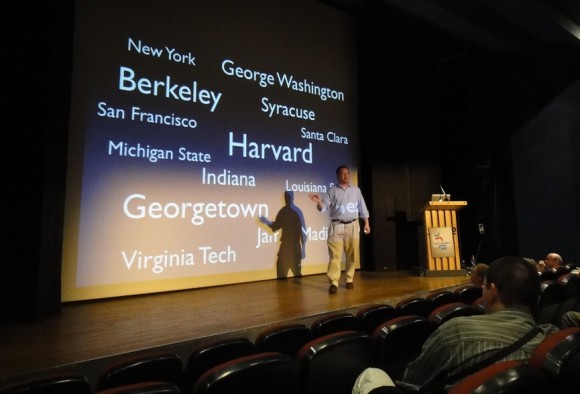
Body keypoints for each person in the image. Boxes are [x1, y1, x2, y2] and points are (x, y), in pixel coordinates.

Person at [353, 256, 560, 392]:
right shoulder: (552, 339)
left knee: (371, 375)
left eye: (484, 287)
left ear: (493, 291)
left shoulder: (457, 332)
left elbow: (412, 381)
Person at [309, 165, 370, 294]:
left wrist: (366, 223)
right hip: (336, 225)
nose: (346, 176)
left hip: (353, 225)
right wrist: (319, 202)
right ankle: (334, 282)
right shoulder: (332, 191)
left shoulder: (356, 190)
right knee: (335, 256)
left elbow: (362, 208)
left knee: (352, 254)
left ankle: (349, 279)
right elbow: (323, 208)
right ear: (337, 176)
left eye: (347, 173)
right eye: (342, 173)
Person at [259, 190, 306, 278]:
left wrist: (303, 248)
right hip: (288, 247)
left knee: (294, 276)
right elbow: (276, 226)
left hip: (291, 248)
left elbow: (303, 231)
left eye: (287, 197)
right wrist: (266, 222)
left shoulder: (292, 212)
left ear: (291, 198)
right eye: (285, 197)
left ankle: (296, 291)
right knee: (286, 275)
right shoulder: (287, 211)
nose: (286, 199)